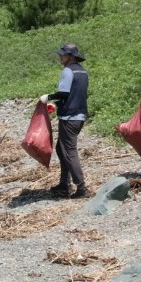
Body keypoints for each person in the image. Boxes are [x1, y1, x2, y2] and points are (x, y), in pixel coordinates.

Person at [41, 43, 89, 198]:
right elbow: (74, 95)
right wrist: (57, 104)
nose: (60, 56)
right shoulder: (83, 72)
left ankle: (81, 188)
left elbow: (63, 93)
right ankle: (64, 184)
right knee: (61, 150)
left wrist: (48, 97)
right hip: (79, 116)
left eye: (63, 54)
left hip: (69, 118)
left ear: (71, 56)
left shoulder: (68, 71)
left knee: (69, 152)